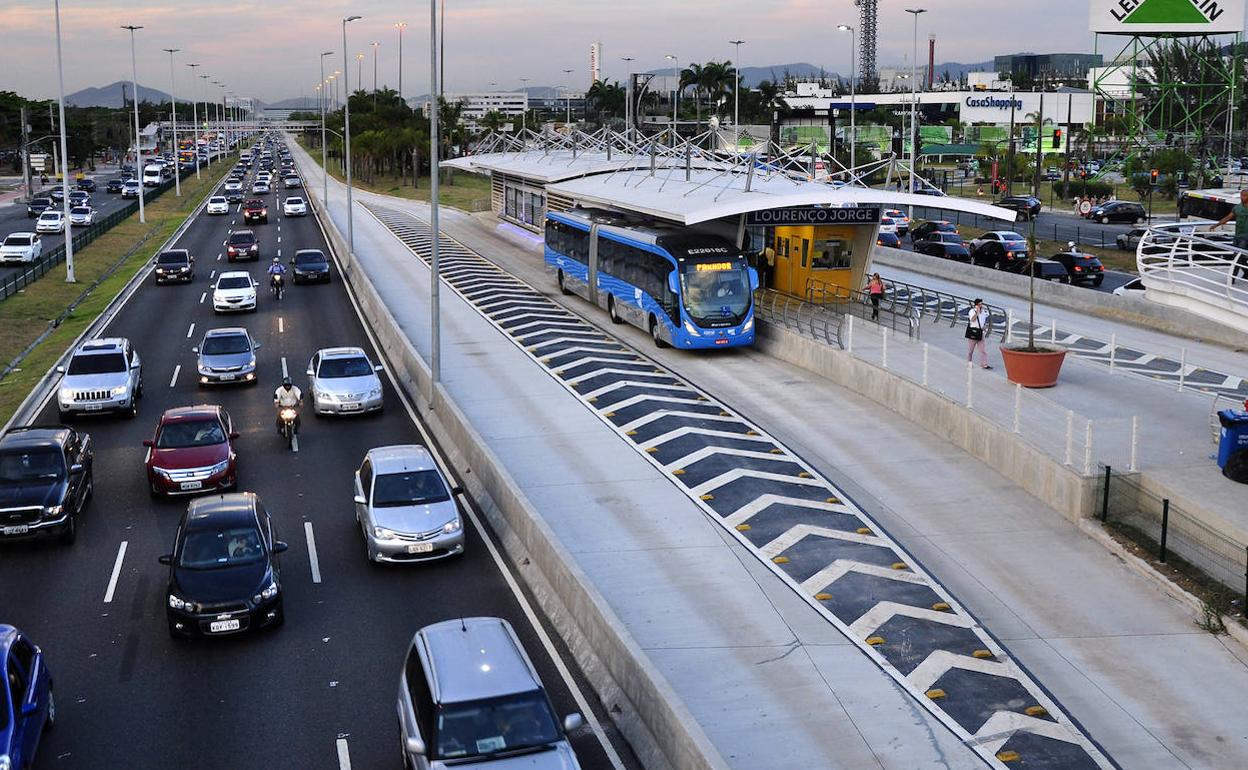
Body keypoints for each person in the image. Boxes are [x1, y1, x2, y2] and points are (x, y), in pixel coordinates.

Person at [1211, 190, 1248, 281]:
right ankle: (1247, 272)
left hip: (1246, 236)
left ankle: (1232, 278)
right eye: (1241, 195)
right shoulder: (1237, 208)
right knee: (1241, 257)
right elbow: (1228, 217)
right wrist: (1216, 225)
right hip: (1237, 235)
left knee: (1237, 256)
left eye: (1245, 196)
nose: (1242, 197)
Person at [965, 298, 992, 369]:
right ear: (976, 305)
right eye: (979, 304)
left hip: (980, 332)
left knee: (982, 350)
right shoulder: (972, 311)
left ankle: (984, 364)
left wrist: (984, 326)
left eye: (982, 304)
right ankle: (969, 363)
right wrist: (977, 312)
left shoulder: (983, 312)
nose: (981, 305)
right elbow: (972, 320)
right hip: (973, 332)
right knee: (970, 350)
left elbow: (983, 321)